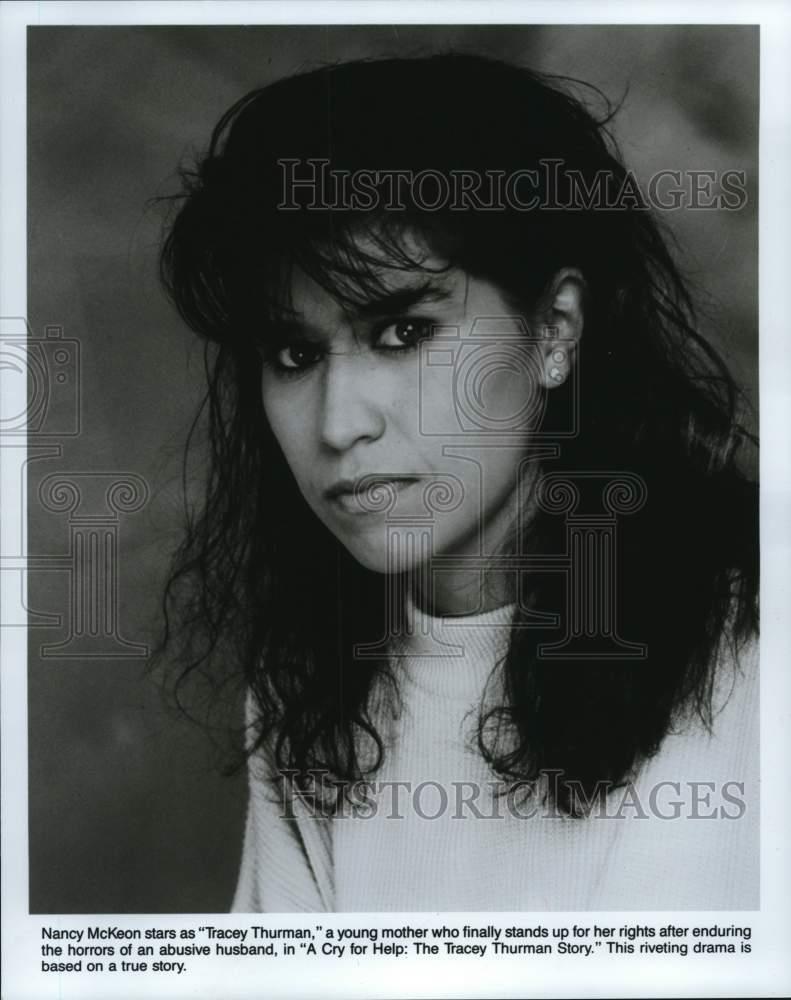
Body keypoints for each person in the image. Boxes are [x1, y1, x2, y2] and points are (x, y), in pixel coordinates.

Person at [158, 53, 759, 911]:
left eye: (403, 332)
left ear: (553, 330)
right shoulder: (310, 690)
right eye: (293, 355)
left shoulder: (752, 651)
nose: (338, 424)